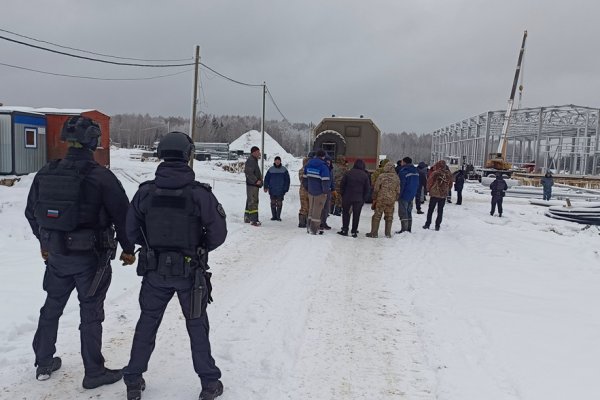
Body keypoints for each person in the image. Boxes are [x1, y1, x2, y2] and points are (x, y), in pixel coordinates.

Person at [24, 116, 136, 388]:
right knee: (91, 312)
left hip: (57, 256)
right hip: (91, 259)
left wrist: (45, 243)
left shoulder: (46, 172)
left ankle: (43, 360)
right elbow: (123, 217)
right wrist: (128, 249)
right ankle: (94, 372)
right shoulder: (102, 177)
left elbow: (31, 212)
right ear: (93, 141)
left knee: (52, 307)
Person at [122, 132, 227, 400]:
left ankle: (133, 380)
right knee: (196, 324)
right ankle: (209, 383)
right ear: (188, 155)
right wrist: (200, 248)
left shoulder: (146, 191)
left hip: (155, 272)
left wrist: (151, 244)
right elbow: (218, 232)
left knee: (147, 322)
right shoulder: (199, 194)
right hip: (189, 273)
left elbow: (130, 230)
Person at [366, 162, 400, 238]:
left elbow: (376, 188)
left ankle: (374, 233)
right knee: (389, 217)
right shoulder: (396, 177)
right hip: (391, 200)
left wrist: (374, 198)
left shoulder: (381, 176)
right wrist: (395, 198)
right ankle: (388, 234)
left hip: (381, 199)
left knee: (377, 216)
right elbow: (398, 190)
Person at [338, 159, 370, 238]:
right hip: (358, 199)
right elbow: (367, 188)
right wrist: (364, 199)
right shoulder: (365, 175)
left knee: (346, 213)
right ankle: (354, 231)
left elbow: (342, 185)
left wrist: (343, 194)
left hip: (347, 197)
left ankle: (345, 230)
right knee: (356, 215)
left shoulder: (348, 173)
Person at [303, 150, 331, 234]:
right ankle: (314, 229)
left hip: (311, 191)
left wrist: (308, 188)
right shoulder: (323, 166)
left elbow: (305, 178)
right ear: (323, 157)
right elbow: (325, 181)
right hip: (320, 193)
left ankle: (309, 227)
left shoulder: (308, 164)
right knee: (317, 211)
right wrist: (325, 192)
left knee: (311, 210)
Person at [423, 160, 453, 231]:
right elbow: (451, 184)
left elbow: (429, 182)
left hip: (434, 194)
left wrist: (429, 190)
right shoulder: (448, 174)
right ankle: (437, 226)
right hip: (443, 195)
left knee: (430, 210)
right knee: (440, 211)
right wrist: (446, 190)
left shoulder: (435, 173)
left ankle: (427, 224)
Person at [396, 157, 420, 233]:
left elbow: (401, 185)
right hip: (412, 194)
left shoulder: (403, 172)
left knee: (403, 212)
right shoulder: (415, 171)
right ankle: (409, 228)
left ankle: (404, 229)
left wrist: (399, 195)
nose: (401, 163)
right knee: (409, 211)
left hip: (404, 194)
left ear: (405, 162)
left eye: (402, 162)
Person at [264, 156, 290, 221]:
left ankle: (278, 216)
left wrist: (286, 188)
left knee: (279, 203)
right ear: (274, 161)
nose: (277, 161)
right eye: (276, 160)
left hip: (281, 190)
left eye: (278, 160)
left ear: (280, 161)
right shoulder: (270, 170)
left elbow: (287, 180)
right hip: (272, 189)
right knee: (272, 203)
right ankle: (274, 216)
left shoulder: (284, 170)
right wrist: (265, 186)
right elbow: (266, 179)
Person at [244, 146, 263, 226]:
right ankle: (253, 220)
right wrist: (256, 181)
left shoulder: (254, 160)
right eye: (258, 152)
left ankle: (247, 217)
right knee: (253, 201)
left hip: (253, 185)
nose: (260, 154)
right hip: (252, 185)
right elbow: (249, 173)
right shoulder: (251, 161)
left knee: (250, 200)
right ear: (254, 152)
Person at [320, 156, 335, 230]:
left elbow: (332, 180)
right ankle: (319, 223)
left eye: (329, 162)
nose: (328, 163)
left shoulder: (331, 170)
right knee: (321, 207)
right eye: (327, 162)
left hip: (328, 190)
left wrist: (333, 189)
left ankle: (324, 222)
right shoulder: (323, 169)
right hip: (321, 190)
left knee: (326, 208)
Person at [298, 157, 310, 228]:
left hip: (302, 191)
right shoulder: (308, 170)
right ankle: (307, 222)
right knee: (308, 206)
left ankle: (302, 222)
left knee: (303, 207)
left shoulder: (301, 170)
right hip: (309, 190)